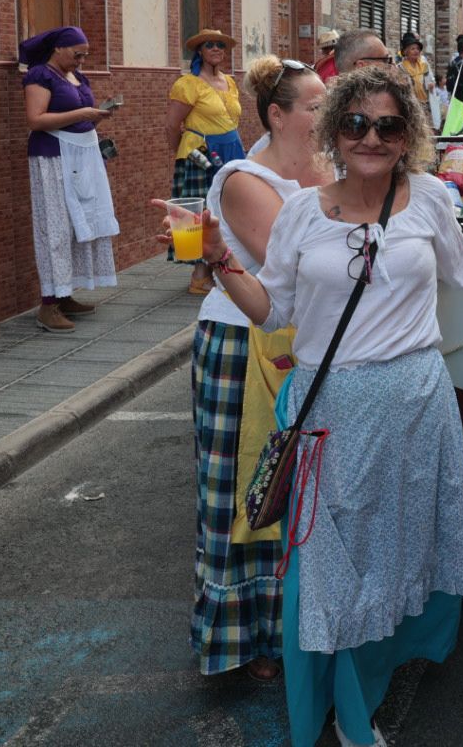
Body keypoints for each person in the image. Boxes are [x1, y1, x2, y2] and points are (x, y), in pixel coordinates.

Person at [199, 66, 463, 747]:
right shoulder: (304, 212)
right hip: (330, 407)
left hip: (416, 403)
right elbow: (273, 306)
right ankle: (336, 703)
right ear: (335, 129)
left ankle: (363, 695)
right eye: (356, 122)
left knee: (395, 555)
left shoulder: (426, 198)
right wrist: (221, 261)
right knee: (331, 567)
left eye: (388, 124)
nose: (371, 136)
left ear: (408, 136)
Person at [187, 56, 328, 683]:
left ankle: (292, 625)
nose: (328, 115)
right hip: (240, 342)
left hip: (306, 343)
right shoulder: (244, 178)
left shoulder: (331, 167)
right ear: (278, 114)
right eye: (316, 106)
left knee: (298, 489)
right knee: (243, 489)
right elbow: (291, 263)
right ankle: (244, 642)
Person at [21, 27, 118, 332]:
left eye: (85, 54)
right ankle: (48, 305)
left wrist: (96, 116)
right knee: (56, 227)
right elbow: (35, 120)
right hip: (53, 158)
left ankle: (65, 294)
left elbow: (80, 111)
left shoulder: (78, 76)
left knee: (79, 224)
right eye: (77, 53)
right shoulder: (41, 75)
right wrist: (82, 115)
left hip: (82, 156)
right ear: (58, 49)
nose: (81, 59)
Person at [167, 29, 246, 295]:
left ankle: (218, 267)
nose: (217, 49)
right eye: (210, 45)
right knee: (200, 211)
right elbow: (171, 125)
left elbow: (232, 119)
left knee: (227, 209)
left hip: (231, 149)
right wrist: (183, 153)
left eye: (221, 45)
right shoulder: (188, 84)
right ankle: (199, 274)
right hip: (200, 153)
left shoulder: (230, 82)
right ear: (199, 50)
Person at [397, 32, 434, 109]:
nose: (416, 51)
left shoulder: (424, 65)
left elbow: (431, 79)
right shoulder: (400, 68)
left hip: (426, 104)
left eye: (417, 49)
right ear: (405, 52)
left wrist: (431, 84)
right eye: (412, 49)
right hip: (410, 106)